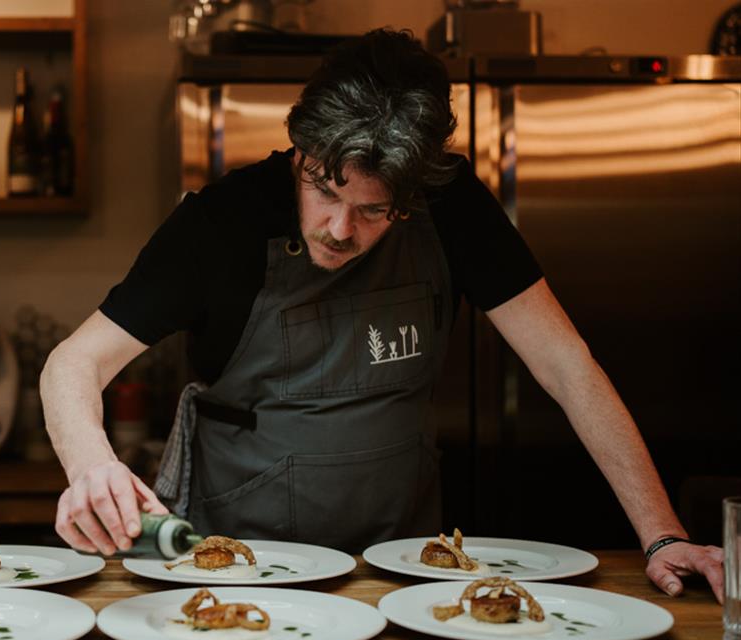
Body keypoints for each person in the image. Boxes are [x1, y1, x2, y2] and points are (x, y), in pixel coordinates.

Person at [40, 29, 724, 602]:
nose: (341, 229)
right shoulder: (220, 223)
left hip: (405, 573)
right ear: (300, 150)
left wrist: (662, 533)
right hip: (239, 570)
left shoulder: (453, 208)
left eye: (375, 211)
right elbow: (73, 361)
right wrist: (91, 463)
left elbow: (567, 366)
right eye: (325, 190)